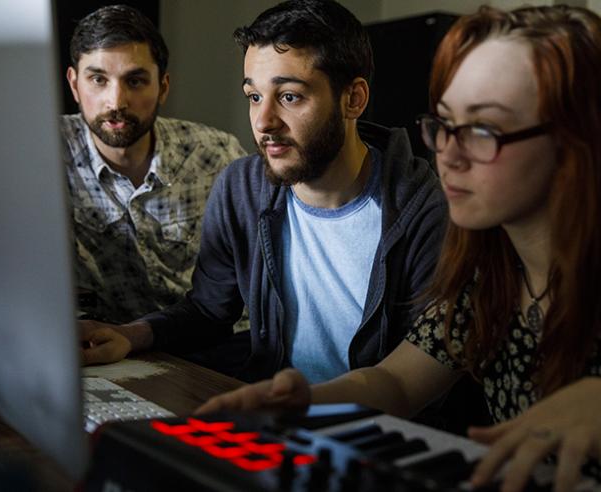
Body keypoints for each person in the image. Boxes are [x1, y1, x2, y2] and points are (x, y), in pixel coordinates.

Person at [196, 5, 601, 491]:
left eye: (484, 129)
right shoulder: (487, 259)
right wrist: (308, 400)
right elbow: (400, 382)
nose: (448, 152)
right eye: (446, 124)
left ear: (576, 142)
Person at [80, 0, 447, 386]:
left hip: (378, 432)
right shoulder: (242, 187)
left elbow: (420, 373)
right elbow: (208, 311)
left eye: (289, 96)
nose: (263, 121)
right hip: (273, 417)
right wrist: (128, 335)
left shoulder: (421, 209)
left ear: (353, 99)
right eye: (254, 97)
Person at [63, 5, 245, 323]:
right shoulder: (43, 152)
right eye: (98, 80)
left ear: (162, 87)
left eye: (135, 82)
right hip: (110, 350)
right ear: (75, 84)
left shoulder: (216, 154)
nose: (116, 102)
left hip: (216, 341)